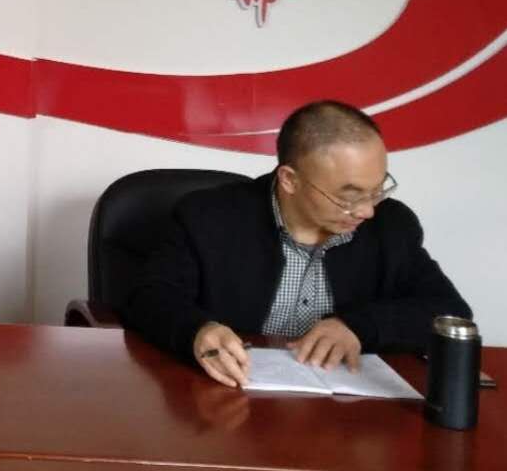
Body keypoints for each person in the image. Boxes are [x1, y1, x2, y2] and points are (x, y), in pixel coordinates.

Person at [122, 101, 470, 388]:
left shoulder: (390, 226)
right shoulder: (208, 217)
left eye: (377, 190)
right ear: (289, 180)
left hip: (343, 418)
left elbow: (450, 314)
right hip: (227, 398)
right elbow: (149, 296)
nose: (367, 210)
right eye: (348, 197)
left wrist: (359, 326)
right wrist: (198, 331)